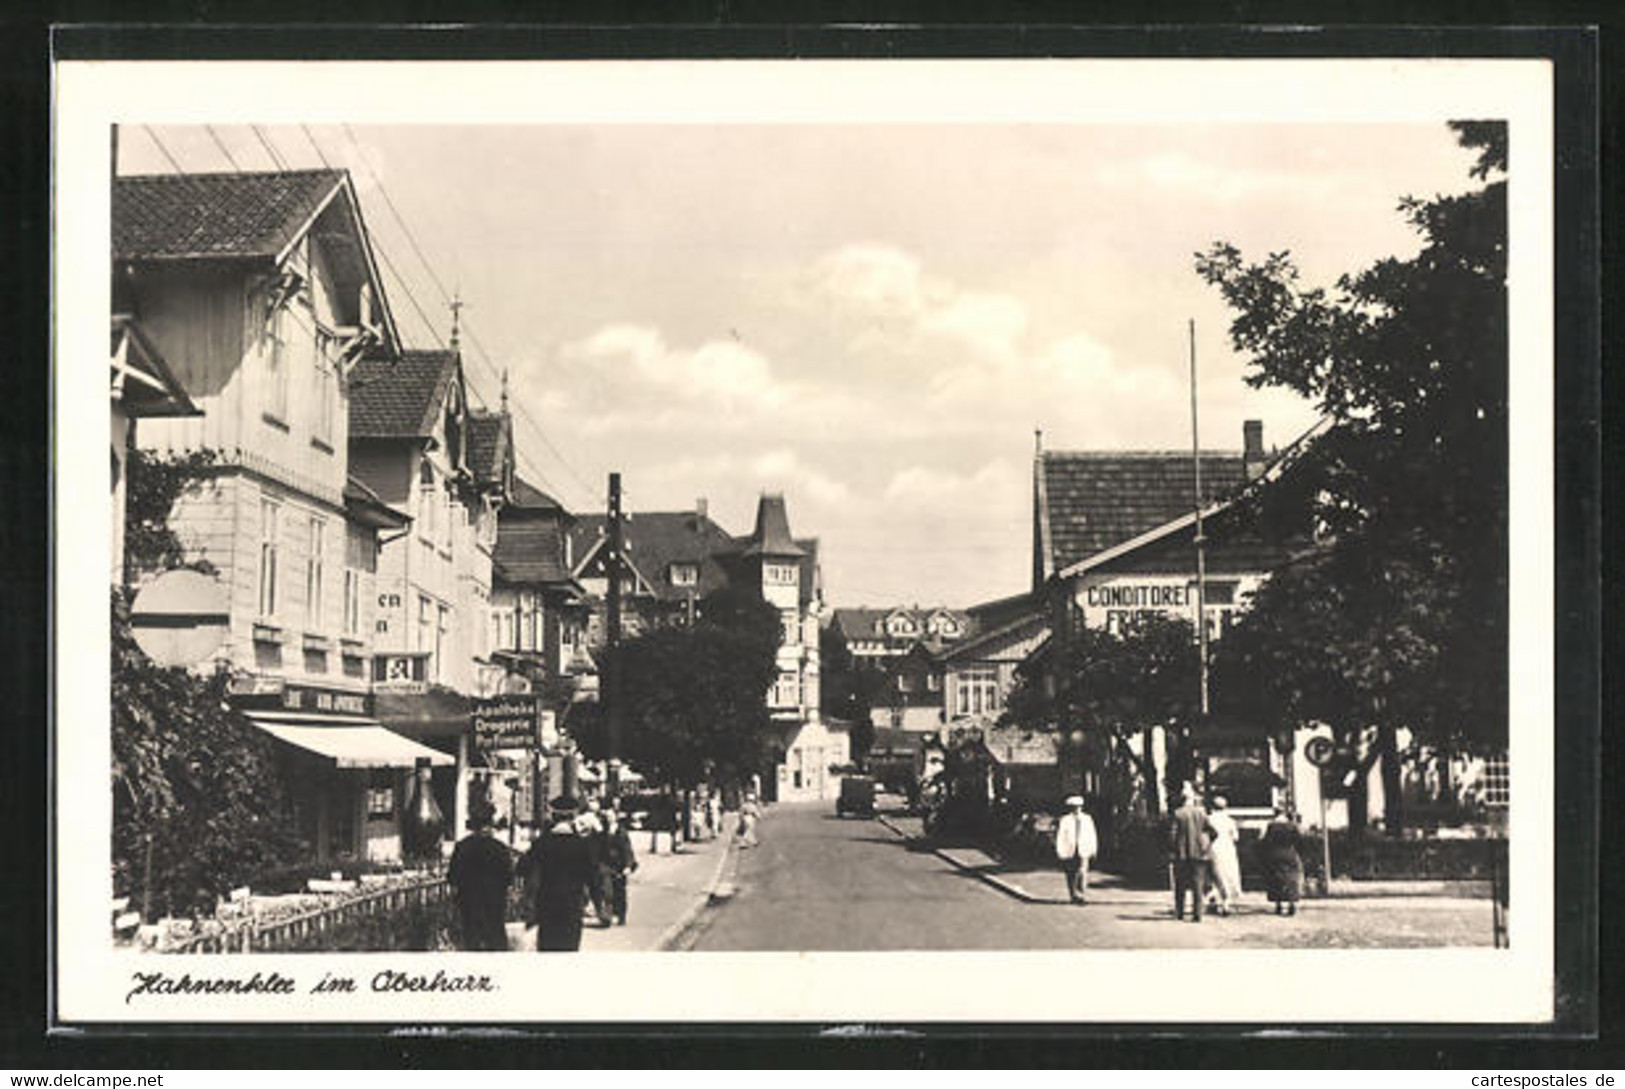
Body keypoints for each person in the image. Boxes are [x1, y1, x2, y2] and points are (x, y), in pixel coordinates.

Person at [521, 795, 597, 952]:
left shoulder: (542, 843)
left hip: (547, 905)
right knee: (569, 949)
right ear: (573, 817)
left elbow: (522, 868)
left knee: (548, 949)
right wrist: (597, 903)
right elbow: (593, 877)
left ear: (553, 816)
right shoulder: (582, 845)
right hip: (572, 905)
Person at [446, 799, 513, 951]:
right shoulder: (500, 848)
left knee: (472, 942)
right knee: (496, 942)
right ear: (490, 824)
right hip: (494, 903)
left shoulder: (462, 847)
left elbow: (452, 877)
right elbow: (509, 878)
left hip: (469, 904)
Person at [1167, 788, 1216, 922]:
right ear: (1192, 800)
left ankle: (1180, 912)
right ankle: (1197, 914)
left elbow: (1172, 835)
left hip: (1181, 854)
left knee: (1180, 885)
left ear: (1182, 799)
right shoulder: (1201, 813)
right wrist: (1206, 844)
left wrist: (1172, 849)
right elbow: (1213, 831)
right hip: (1200, 854)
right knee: (1198, 885)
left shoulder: (1178, 814)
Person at [1260, 805, 1306, 916]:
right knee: (1292, 878)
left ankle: (1278, 904)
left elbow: (1265, 841)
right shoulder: (1291, 825)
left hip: (1275, 854)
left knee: (1276, 878)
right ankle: (1292, 904)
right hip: (1289, 852)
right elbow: (1300, 839)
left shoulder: (1271, 826)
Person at [1053, 795, 1098, 905]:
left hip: (1083, 849)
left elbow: (1092, 834)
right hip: (1070, 849)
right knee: (1071, 873)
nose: (1076, 809)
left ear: (1081, 807)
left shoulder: (1087, 819)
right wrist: (1060, 850)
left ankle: (1081, 895)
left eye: (1078, 807)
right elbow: (1061, 836)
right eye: (1073, 807)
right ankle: (1073, 895)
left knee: (1082, 872)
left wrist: (1093, 848)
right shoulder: (1065, 820)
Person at [1206, 795, 1243, 916]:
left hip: (1213, 848)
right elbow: (1235, 837)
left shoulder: (1209, 819)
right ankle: (1226, 902)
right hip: (1227, 849)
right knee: (1228, 874)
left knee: (1214, 874)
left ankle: (1215, 900)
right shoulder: (1230, 821)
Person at [601, 806, 638, 925]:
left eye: (610, 816)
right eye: (607, 817)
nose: (608, 819)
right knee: (607, 890)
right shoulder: (603, 831)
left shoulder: (621, 831)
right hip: (606, 865)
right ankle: (607, 915)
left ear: (615, 817)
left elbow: (627, 849)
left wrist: (628, 866)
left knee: (620, 892)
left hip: (619, 865)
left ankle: (621, 916)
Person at [580, 797, 611, 927]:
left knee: (583, 887)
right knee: (596, 887)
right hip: (593, 859)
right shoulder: (594, 819)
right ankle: (601, 914)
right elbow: (601, 833)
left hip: (580, 857)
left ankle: (583, 911)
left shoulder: (579, 819)